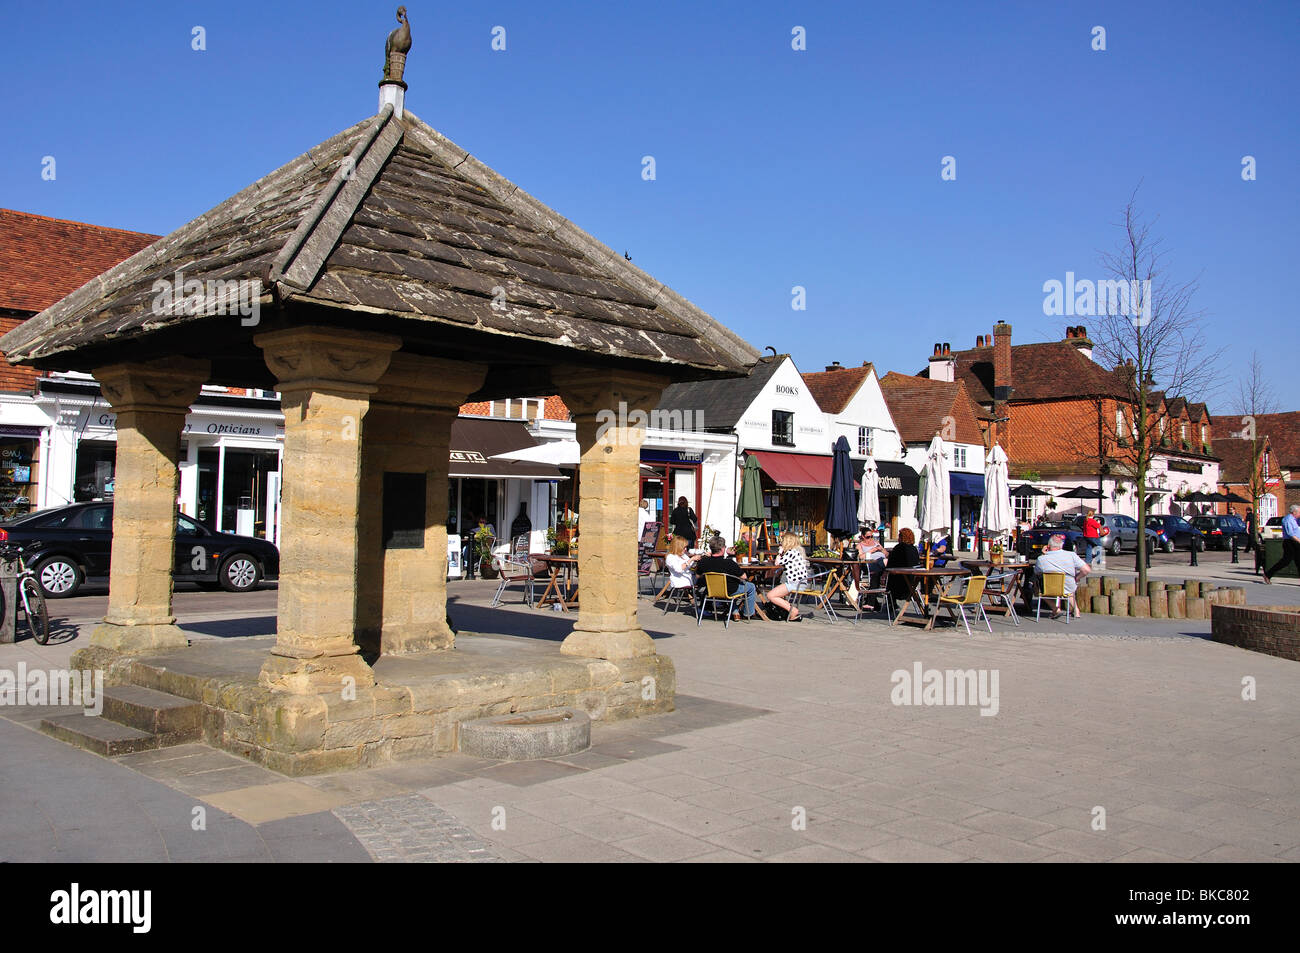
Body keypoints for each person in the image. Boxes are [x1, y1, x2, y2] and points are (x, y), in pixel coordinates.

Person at [696, 536, 766, 621]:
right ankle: (748, 613)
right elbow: (744, 576)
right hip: (731, 590)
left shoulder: (703, 562)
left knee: (728, 585)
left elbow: (698, 576)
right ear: (722, 549)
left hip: (712, 590)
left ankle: (735, 611)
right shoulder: (729, 563)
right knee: (751, 586)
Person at [1034, 533, 1090, 617]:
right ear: (1061, 545)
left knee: (1038, 589)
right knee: (1069, 591)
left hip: (1050, 587)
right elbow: (1086, 570)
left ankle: (1055, 609)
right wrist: (1077, 578)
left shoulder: (1042, 559)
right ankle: (1076, 611)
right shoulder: (1071, 555)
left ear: (1048, 546)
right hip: (1068, 585)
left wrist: (1043, 554)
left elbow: (1036, 572)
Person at [764, 531, 811, 621]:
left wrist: (780, 553)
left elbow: (777, 563)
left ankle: (793, 611)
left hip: (795, 583)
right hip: (800, 582)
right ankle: (789, 612)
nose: (781, 542)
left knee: (770, 595)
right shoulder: (798, 551)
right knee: (777, 595)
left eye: (783, 540)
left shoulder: (792, 552)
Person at [1263, 504, 1300, 584]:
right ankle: (1268, 574)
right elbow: (1290, 534)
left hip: (1295, 542)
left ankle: (1268, 574)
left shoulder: (1295, 519)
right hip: (1291, 542)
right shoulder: (1288, 520)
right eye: (1299, 512)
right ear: (1294, 512)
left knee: (1298, 561)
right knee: (1285, 561)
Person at [886, 527, 921, 607]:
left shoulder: (898, 548)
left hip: (899, 582)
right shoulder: (914, 549)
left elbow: (890, 565)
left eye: (899, 536)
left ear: (902, 537)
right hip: (911, 581)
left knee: (889, 575)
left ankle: (891, 603)